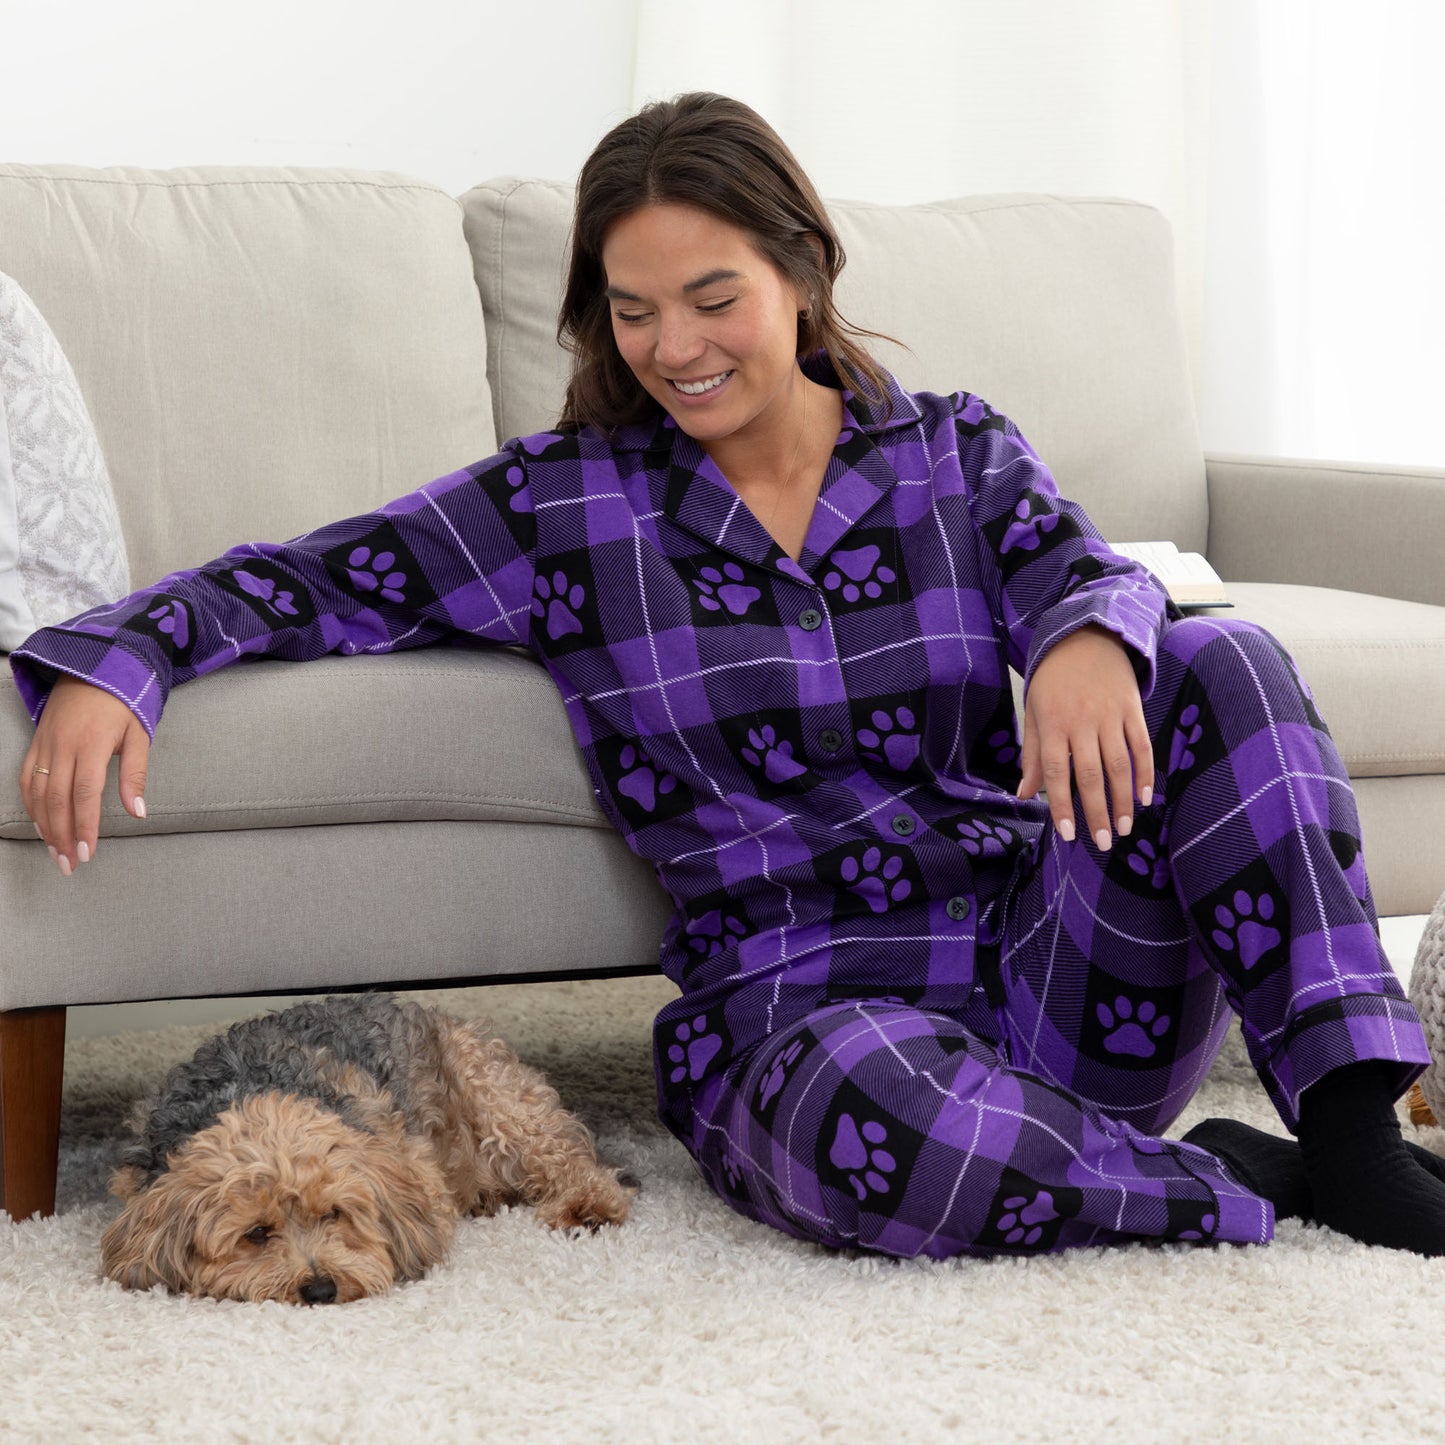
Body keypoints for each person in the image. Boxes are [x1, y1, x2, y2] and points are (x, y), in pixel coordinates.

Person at [13, 92, 1445, 1260]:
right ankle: (1226, 1183)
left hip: (1048, 964)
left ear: (804, 271)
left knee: (1224, 658)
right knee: (887, 1142)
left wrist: (1085, 633)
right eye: (633, 311)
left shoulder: (948, 449)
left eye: (712, 297)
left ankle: (1349, 1141)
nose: (674, 348)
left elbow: (1080, 565)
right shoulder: (563, 506)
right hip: (803, 1019)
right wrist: (122, 660)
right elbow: (307, 578)